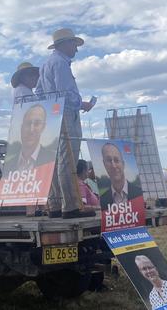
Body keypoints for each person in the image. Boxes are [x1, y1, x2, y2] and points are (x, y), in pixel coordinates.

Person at [36, 28, 95, 219]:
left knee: (54, 161)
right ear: (65, 44)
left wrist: (48, 106)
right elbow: (64, 93)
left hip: (52, 114)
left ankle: (55, 204)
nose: (76, 49)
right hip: (65, 114)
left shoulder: (46, 64)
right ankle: (70, 205)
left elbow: (38, 91)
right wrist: (82, 103)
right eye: (73, 45)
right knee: (67, 159)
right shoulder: (60, 63)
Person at [2, 104, 58, 172]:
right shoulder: (8, 164)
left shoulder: (52, 161)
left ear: (43, 127)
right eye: (28, 123)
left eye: (37, 124)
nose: (31, 130)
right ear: (21, 127)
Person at [99, 143, 143, 207]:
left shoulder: (139, 194)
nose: (113, 166)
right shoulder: (102, 200)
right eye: (109, 160)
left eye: (116, 160)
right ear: (104, 164)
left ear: (123, 164)